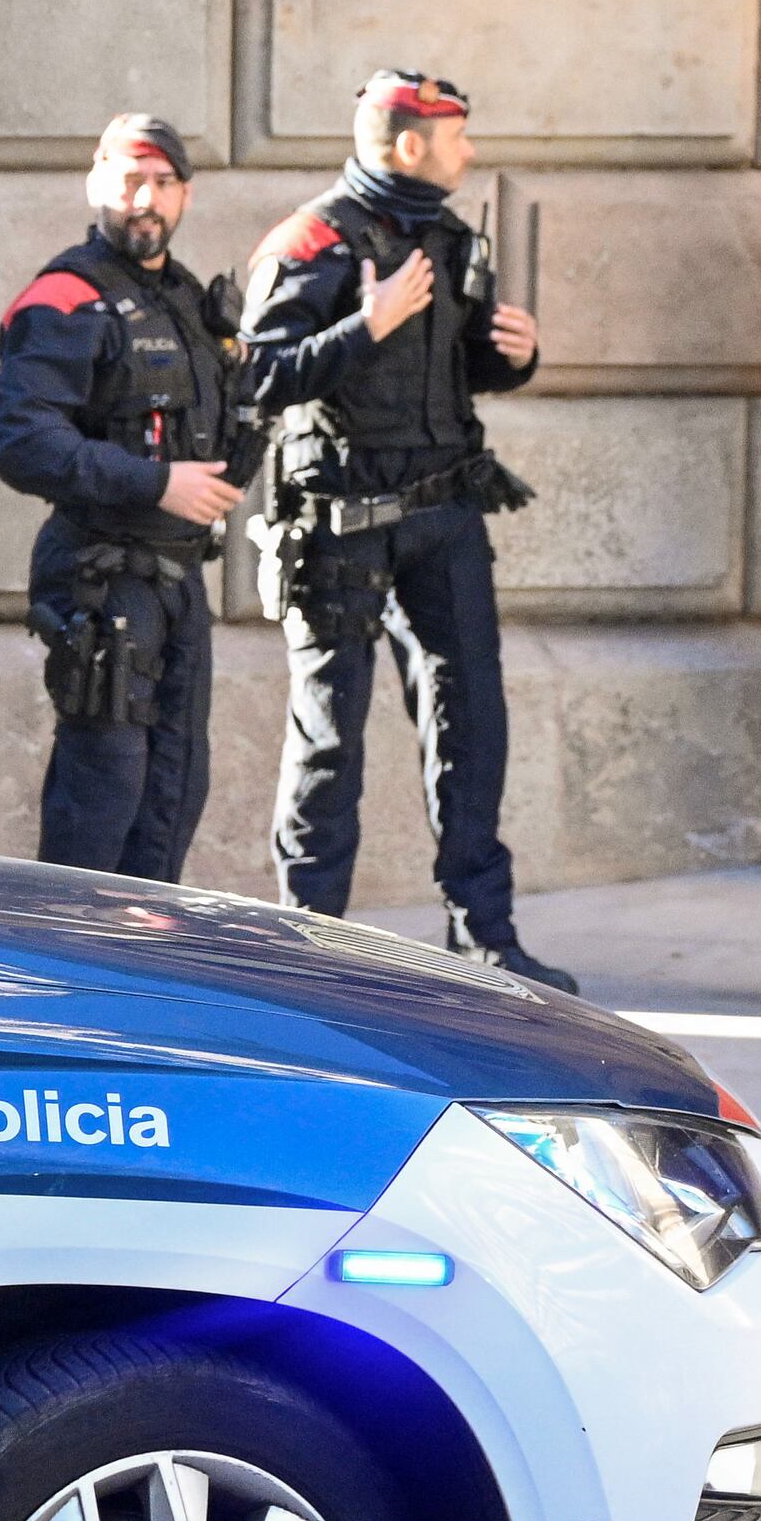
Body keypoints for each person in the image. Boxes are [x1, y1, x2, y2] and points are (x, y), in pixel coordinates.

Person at [236, 69, 572, 990]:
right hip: (340, 525)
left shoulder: (450, 234)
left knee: (474, 722)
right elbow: (256, 378)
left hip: (443, 518)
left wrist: (514, 356)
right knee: (329, 733)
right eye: (456, 135)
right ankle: (313, 950)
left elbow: (461, 374)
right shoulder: (314, 237)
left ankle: (485, 936)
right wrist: (364, 324)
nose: (469, 152)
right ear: (408, 143)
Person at [0, 113, 238, 881]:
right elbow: (23, 442)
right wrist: (158, 482)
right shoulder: (63, 297)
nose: (145, 198)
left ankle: (143, 976)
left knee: (173, 793)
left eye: (162, 183)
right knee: (102, 798)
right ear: (96, 183)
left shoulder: (188, 300)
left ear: (185, 196)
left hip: (178, 581)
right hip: (102, 582)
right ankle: (62, 979)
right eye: (129, 179)